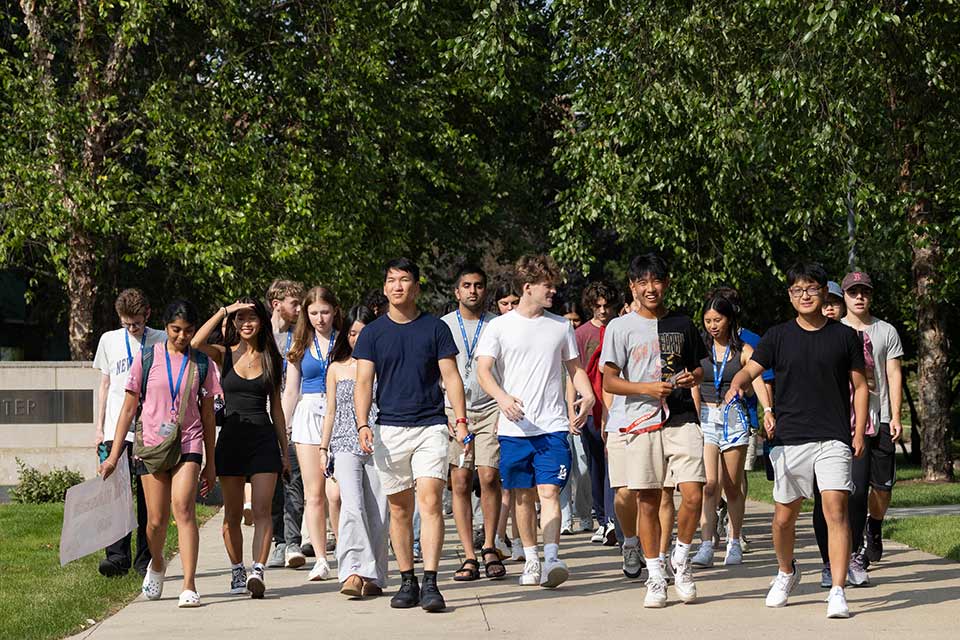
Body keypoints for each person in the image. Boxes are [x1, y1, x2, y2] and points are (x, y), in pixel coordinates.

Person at [726, 262, 868, 618]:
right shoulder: (777, 336)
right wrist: (737, 383)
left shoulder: (844, 336)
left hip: (833, 436)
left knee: (836, 511)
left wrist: (858, 432)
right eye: (797, 290)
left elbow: (860, 386)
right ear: (790, 296)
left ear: (824, 292)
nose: (805, 295)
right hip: (790, 439)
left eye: (812, 288)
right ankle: (786, 571)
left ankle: (837, 590)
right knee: (783, 519)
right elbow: (751, 369)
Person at [354, 257, 470, 612]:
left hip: (431, 426)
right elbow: (363, 382)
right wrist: (362, 424)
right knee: (399, 508)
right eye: (391, 280)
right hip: (389, 429)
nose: (397, 286)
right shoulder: (372, 333)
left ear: (416, 287)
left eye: (404, 280)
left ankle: (431, 582)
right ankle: (408, 580)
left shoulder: (435, 328)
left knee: (431, 500)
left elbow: (451, 377)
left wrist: (460, 420)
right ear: (385, 287)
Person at [477, 254, 595, 589]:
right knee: (522, 496)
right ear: (527, 287)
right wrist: (502, 398)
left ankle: (553, 558)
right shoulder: (499, 327)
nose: (553, 291)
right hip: (514, 428)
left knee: (549, 491)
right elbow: (483, 371)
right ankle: (531, 559)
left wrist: (587, 394)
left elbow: (574, 368)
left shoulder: (560, 326)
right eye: (548, 286)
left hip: (552, 425)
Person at [600, 253, 706, 608]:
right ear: (632, 286)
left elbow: (699, 368)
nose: (650, 288)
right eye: (642, 282)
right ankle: (656, 575)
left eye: (656, 281)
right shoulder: (620, 327)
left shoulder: (683, 323)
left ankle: (682, 558)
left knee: (693, 493)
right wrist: (646, 388)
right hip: (640, 422)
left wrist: (692, 377)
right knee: (647, 500)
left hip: (682, 417)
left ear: (667, 283)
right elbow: (610, 381)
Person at [99, 299, 220, 608]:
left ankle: (189, 585)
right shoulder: (148, 357)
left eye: (188, 330)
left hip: (188, 442)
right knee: (155, 521)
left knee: (184, 509)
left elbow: (208, 416)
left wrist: (211, 463)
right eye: (176, 329)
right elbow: (128, 409)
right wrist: (113, 455)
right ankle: (156, 563)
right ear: (166, 327)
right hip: (151, 444)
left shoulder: (202, 363)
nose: (182, 336)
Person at [190, 298, 289, 598]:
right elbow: (195, 342)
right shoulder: (224, 354)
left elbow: (277, 409)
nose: (246, 323)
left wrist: (284, 451)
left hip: (263, 439)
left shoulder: (272, 358)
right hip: (231, 438)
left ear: (262, 321)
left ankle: (257, 570)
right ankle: (237, 570)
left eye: (252, 317)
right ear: (233, 322)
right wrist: (224, 310)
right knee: (232, 514)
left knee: (261, 510)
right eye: (240, 318)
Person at [689, 294, 773, 567]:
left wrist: (767, 410)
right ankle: (706, 544)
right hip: (706, 418)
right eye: (708, 321)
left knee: (732, 486)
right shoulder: (700, 348)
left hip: (733, 420)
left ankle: (734, 540)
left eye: (718, 320)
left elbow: (756, 378)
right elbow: (693, 383)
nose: (713, 326)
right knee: (709, 485)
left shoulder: (743, 350)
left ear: (729, 320)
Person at [93, 288, 166, 578]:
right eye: (126, 324)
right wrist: (99, 428)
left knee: (149, 497)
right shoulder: (109, 340)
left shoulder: (161, 339)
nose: (132, 328)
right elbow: (105, 385)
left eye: (136, 323)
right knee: (116, 495)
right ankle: (116, 557)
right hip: (116, 428)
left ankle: (146, 558)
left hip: (149, 430)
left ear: (147, 314)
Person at [319, 305, 389, 599]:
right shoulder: (336, 368)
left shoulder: (382, 364)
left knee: (379, 511)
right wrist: (323, 448)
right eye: (351, 333)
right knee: (351, 506)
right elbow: (331, 411)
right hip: (344, 442)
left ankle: (376, 576)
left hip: (379, 441)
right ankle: (353, 572)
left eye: (362, 333)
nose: (356, 338)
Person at [442, 266, 507, 582]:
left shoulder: (499, 324)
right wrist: (445, 414)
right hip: (455, 410)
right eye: (466, 285)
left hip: (492, 407)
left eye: (478, 285)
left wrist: (506, 408)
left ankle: (490, 545)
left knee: (489, 476)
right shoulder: (444, 325)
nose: (472, 291)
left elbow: (508, 367)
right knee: (460, 480)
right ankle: (469, 554)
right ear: (457, 292)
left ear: (485, 290)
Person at [841, 271, 904, 569]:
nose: (859, 297)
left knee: (883, 487)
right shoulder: (835, 331)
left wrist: (896, 416)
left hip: (881, 416)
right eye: (853, 292)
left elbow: (894, 374)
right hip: (848, 421)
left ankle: (874, 526)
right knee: (854, 490)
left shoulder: (886, 331)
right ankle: (854, 551)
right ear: (844, 296)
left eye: (864, 292)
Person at [282, 286, 342, 581]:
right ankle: (320, 558)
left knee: (337, 492)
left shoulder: (344, 342)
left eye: (325, 312)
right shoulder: (299, 343)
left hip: (340, 414)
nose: (320, 318)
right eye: (314, 313)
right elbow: (291, 390)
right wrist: (282, 427)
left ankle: (346, 550)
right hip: (308, 415)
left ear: (334, 312)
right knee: (313, 493)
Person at [264, 279, 306, 569]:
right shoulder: (259, 336)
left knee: (293, 481)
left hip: (292, 418)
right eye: (295, 303)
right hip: (262, 418)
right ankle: (278, 541)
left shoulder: (299, 337)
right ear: (277, 304)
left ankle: (292, 541)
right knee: (271, 486)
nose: (300, 309)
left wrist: (287, 424)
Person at [575, 281, 620, 545]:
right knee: (595, 465)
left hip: (616, 406)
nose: (603, 311)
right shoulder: (581, 334)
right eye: (598, 305)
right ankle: (602, 518)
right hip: (590, 407)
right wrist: (572, 408)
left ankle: (613, 519)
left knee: (613, 461)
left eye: (607, 305)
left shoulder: (620, 328)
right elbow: (573, 372)